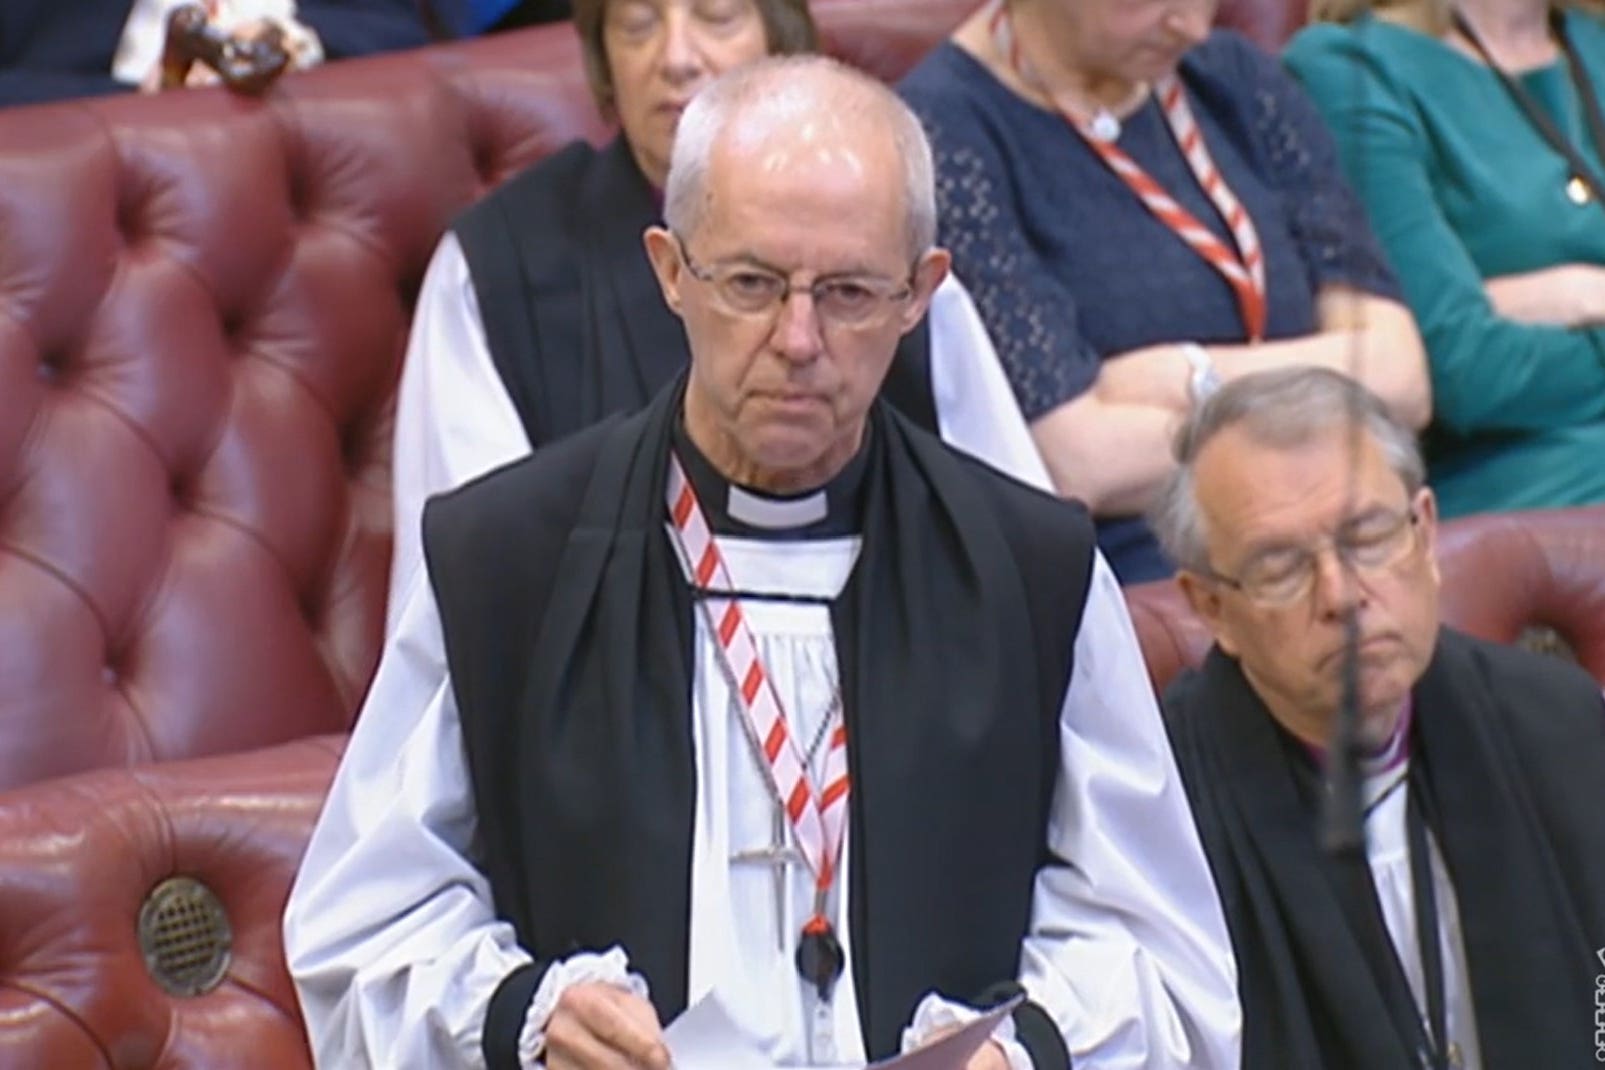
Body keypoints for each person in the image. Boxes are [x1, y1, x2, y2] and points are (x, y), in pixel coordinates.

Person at [285, 56, 1241, 1070]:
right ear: (669, 270)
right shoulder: (508, 560)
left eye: (848, 291)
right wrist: (525, 1011)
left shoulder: (1032, 569)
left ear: (922, 293)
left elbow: (1160, 949)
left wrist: (1023, 1053)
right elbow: (365, 926)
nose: (797, 339)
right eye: (750, 282)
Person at [389, 0, 1049, 633]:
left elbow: (1011, 537)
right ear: (671, 271)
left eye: (717, 15)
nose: (674, 57)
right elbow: (467, 592)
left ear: (779, 37)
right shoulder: (494, 269)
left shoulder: (879, 242)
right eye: (638, 23)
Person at [1150, 366, 1605, 1068]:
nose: (1340, 595)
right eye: (1279, 568)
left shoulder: (1557, 723)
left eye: (1367, 537)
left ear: (1423, 533)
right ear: (1211, 607)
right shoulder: (1162, 811)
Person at [898, 0, 1430, 583]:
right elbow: (1080, 461)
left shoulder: (1234, 77)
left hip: (1348, 535)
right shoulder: (941, 133)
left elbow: (1401, 379)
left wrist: (1191, 373)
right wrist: (1327, 400)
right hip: (1152, 577)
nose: (1194, 25)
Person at [1285, 0, 1605, 520]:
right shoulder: (1355, 67)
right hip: (1514, 475)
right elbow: (1465, 370)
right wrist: (1583, 293)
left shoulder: (1590, 40)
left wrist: (1552, 297)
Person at [0, 0, 429, 107]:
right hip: (96, 185)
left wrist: (293, 42)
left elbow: (403, 36)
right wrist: (141, 102)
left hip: (295, 161)